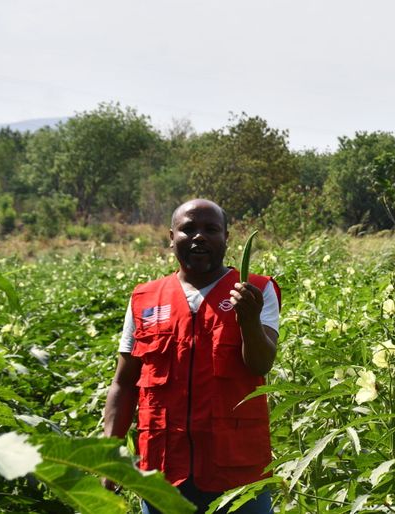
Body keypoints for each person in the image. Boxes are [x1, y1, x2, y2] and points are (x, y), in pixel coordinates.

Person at [102, 199, 280, 514]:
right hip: (164, 470)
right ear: (171, 237)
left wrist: (248, 321)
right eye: (188, 229)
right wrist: (110, 451)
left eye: (211, 229)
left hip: (238, 472)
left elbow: (261, 363)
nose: (199, 237)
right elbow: (123, 383)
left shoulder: (256, 290)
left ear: (227, 238)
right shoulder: (145, 298)